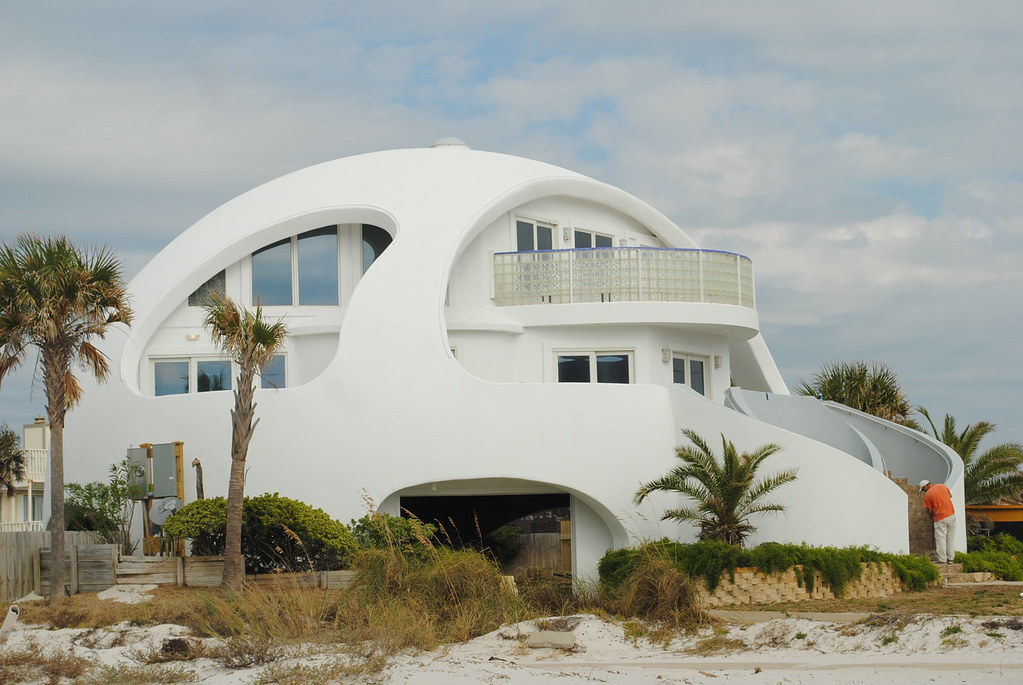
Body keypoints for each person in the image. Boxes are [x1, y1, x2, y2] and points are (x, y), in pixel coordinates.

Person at [919, 480, 956, 564]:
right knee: (950, 538)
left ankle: (942, 559)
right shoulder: (942, 486)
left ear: (925, 486)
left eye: (923, 490)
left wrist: (932, 518)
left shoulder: (927, 495)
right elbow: (950, 496)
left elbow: (929, 510)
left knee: (940, 539)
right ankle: (950, 559)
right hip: (951, 515)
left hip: (940, 518)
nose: (923, 491)